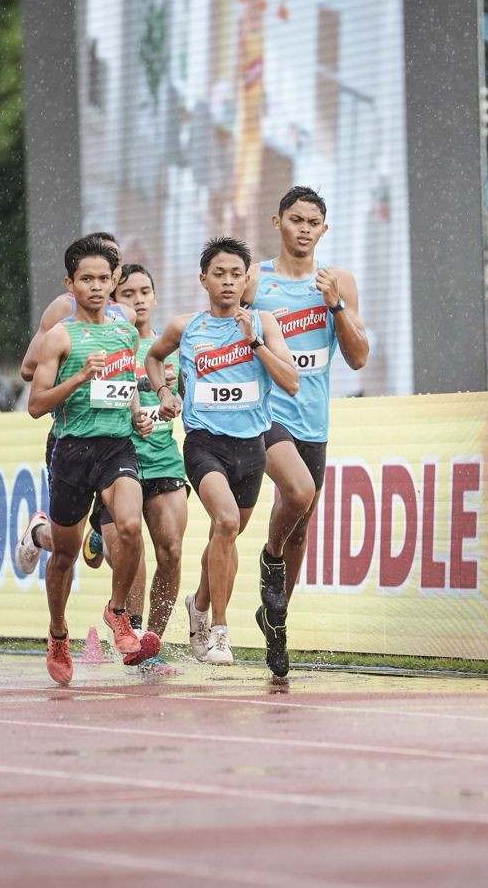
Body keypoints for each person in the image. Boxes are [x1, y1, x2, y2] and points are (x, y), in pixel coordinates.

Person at [143, 236, 298, 665]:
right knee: (226, 522)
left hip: (251, 447)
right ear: (203, 280)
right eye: (219, 274)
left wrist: (255, 343)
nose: (228, 282)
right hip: (204, 444)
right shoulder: (185, 328)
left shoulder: (264, 323)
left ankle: (197, 605)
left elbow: (291, 382)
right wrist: (163, 393)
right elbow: (153, 358)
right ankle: (220, 633)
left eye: (236, 274)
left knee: (227, 535)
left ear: (248, 278)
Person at [245, 186, 370, 676]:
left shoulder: (336, 281)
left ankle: (276, 621)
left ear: (324, 229)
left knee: (300, 527)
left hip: (312, 418)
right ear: (277, 223)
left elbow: (359, 359)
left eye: (312, 222)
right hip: (264, 414)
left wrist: (336, 307)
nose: (303, 229)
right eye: (294, 219)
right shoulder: (256, 277)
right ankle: (265, 563)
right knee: (295, 496)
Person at [24, 236, 146, 685]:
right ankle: (58, 633)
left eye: (103, 279)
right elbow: (36, 405)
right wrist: (79, 376)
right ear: (70, 284)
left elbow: (126, 383)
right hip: (73, 451)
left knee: (131, 527)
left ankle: (118, 613)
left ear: (114, 281)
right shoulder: (60, 335)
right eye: (86, 279)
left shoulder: (126, 331)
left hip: (117, 445)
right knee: (65, 556)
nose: (96, 287)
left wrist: (138, 414)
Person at [70, 263, 184, 675]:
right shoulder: (104, 344)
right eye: (129, 293)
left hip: (164, 458)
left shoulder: (171, 347)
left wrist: (173, 400)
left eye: (145, 292)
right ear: (117, 300)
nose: (138, 300)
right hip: (117, 459)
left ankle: (153, 642)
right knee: (132, 560)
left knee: (170, 553)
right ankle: (134, 640)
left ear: (154, 297)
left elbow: (189, 394)